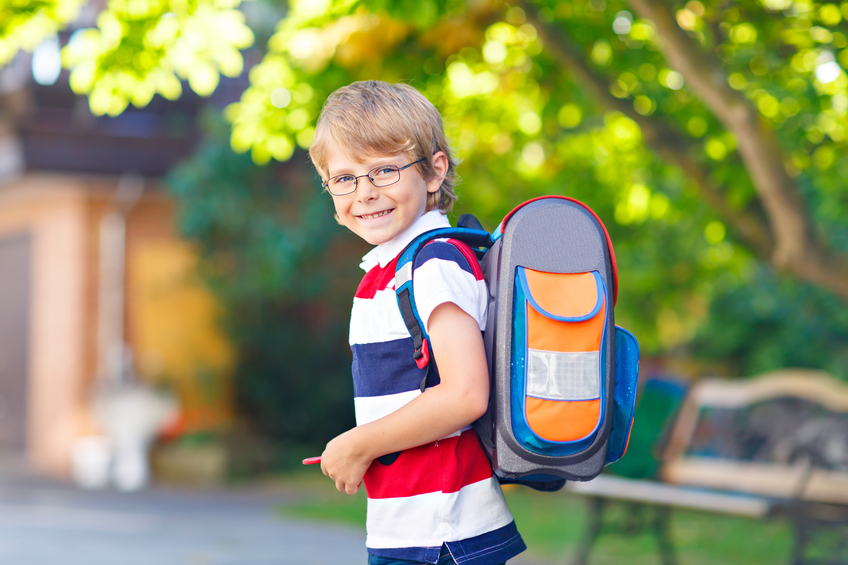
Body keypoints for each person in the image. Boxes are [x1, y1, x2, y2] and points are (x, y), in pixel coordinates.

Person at [308, 80, 526, 565]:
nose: (363, 193)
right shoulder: (390, 270)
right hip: (415, 527)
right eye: (343, 178)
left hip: (443, 529)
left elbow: (465, 393)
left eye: (384, 170)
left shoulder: (433, 264)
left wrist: (356, 444)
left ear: (433, 172)